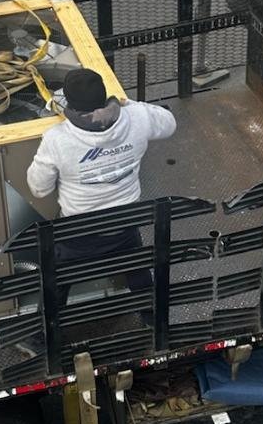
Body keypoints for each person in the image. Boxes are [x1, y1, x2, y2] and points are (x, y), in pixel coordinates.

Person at [26, 68, 176, 303]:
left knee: (56, 278)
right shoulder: (136, 117)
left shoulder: (56, 139)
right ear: (104, 95)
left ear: (70, 104)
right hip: (126, 223)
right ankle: (153, 318)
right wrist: (129, 105)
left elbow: (39, 188)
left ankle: (40, 336)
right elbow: (169, 124)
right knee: (137, 270)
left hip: (79, 232)